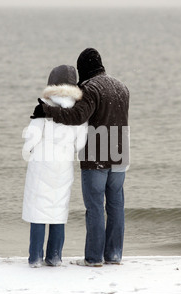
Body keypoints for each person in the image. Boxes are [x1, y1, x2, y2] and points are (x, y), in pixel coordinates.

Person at [31, 48, 130, 267]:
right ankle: (114, 255)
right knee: (116, 205)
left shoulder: (90, 88)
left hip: (97, 156)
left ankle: (94, 258)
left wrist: (47, 111)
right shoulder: (123, 87)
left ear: (84, 68)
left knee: (95, 207)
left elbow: (76, 116)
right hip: (120, 154)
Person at [22, 65, 88, 268]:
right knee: (58, 210)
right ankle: (55, 257)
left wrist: (27, 150)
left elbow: (33, 136)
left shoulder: (44, 105)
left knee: (38, 210)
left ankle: (35, 258)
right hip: (63, 165)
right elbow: (80, 143)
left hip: (42, 163)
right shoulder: (78, 111)